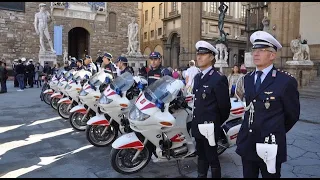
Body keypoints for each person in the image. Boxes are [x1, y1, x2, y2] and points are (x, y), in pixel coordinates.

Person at [235, 31, 300, 178]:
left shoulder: (285, 81)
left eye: (261, 50)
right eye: (254, 50)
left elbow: (292, 115)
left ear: (272, 55)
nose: (256, 54)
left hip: (270, 145)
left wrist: (274, 130)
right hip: (248, 143)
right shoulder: (248, 79)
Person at [192, 40, 231, 178]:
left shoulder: (218, 78)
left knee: (212, 158)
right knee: (201, 156)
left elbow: (224, 107)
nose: (199, 57)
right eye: (198, 54)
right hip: (198, 125)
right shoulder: (197, 77)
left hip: (210, 127)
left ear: (212, 57)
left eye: (203, 54)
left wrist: (214, 123)